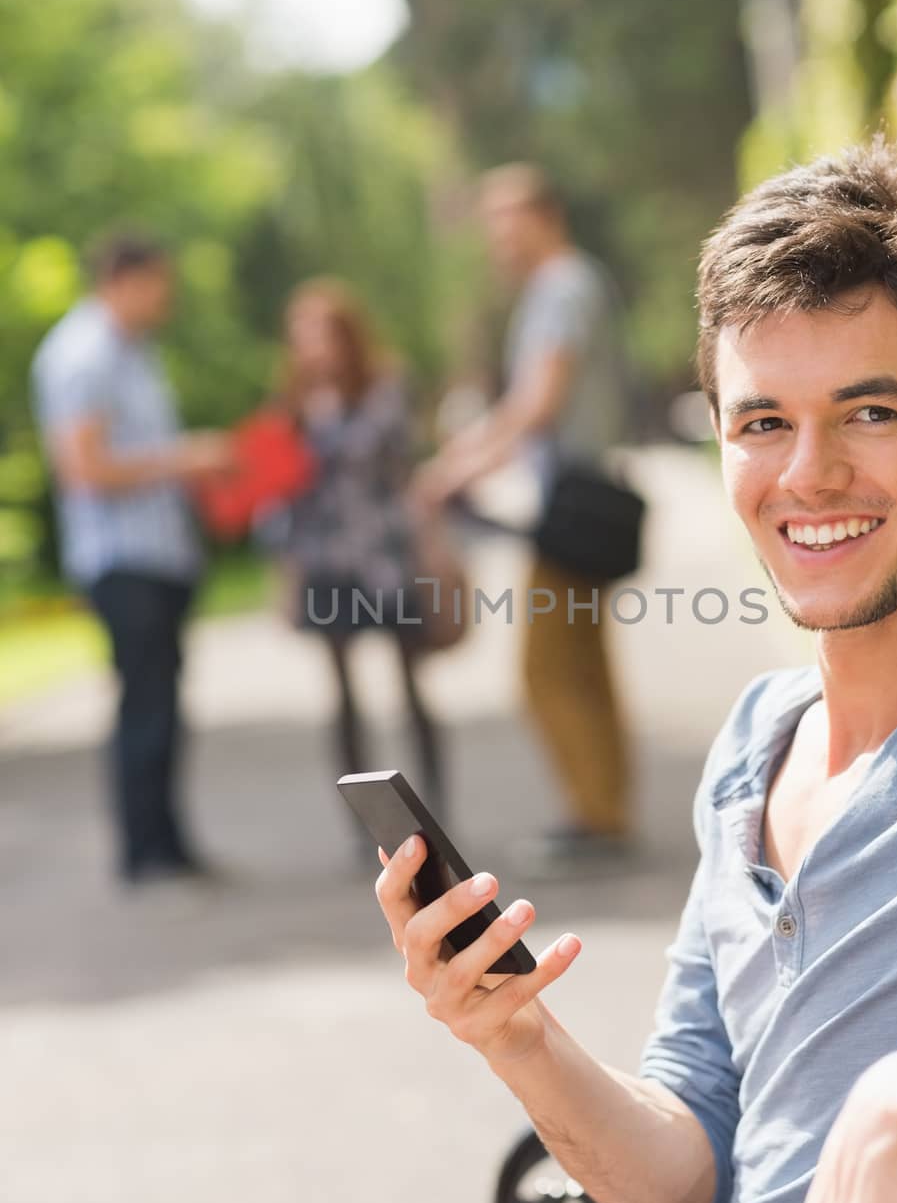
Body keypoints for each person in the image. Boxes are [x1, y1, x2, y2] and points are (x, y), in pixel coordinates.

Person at [375, 139, 897, 1203]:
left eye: (871, 410)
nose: (807, 475)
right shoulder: (755, 742)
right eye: (761, 422)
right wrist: (515, 1035)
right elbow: (683, 1184)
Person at [414, 164, 633, 866]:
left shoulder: (561, 286)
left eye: (509, 223)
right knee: (581, 663)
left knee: (547, 670)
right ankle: (604, 810)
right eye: (491, 226)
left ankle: (595, 818)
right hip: (575, 494)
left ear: (546, 216)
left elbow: (537, 402)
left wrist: (455, 467)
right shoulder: (565, 285)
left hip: (573, 500)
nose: (498, 240)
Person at [30, 232, 234, 886]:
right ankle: (144, 856)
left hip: (161, 554)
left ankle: (169, 845)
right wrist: (185, 457)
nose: (164, 299)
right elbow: (84, 468)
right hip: (122, 559)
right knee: (144, 707)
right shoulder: (81, 355)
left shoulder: (134, 353)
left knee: (165, 705)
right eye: (158, 285)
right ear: (125, 279)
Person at [275, 277, 443, 832]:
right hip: (326, 562)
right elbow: (283, 490)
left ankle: (432, 810)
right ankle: (366, 825)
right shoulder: (294, 402)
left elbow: (383, 455)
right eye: (302, 336)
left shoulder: (383, 388)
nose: (312, 347)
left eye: (321, 334)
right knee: (343, 697)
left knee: (410, 684)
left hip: (385, 556)